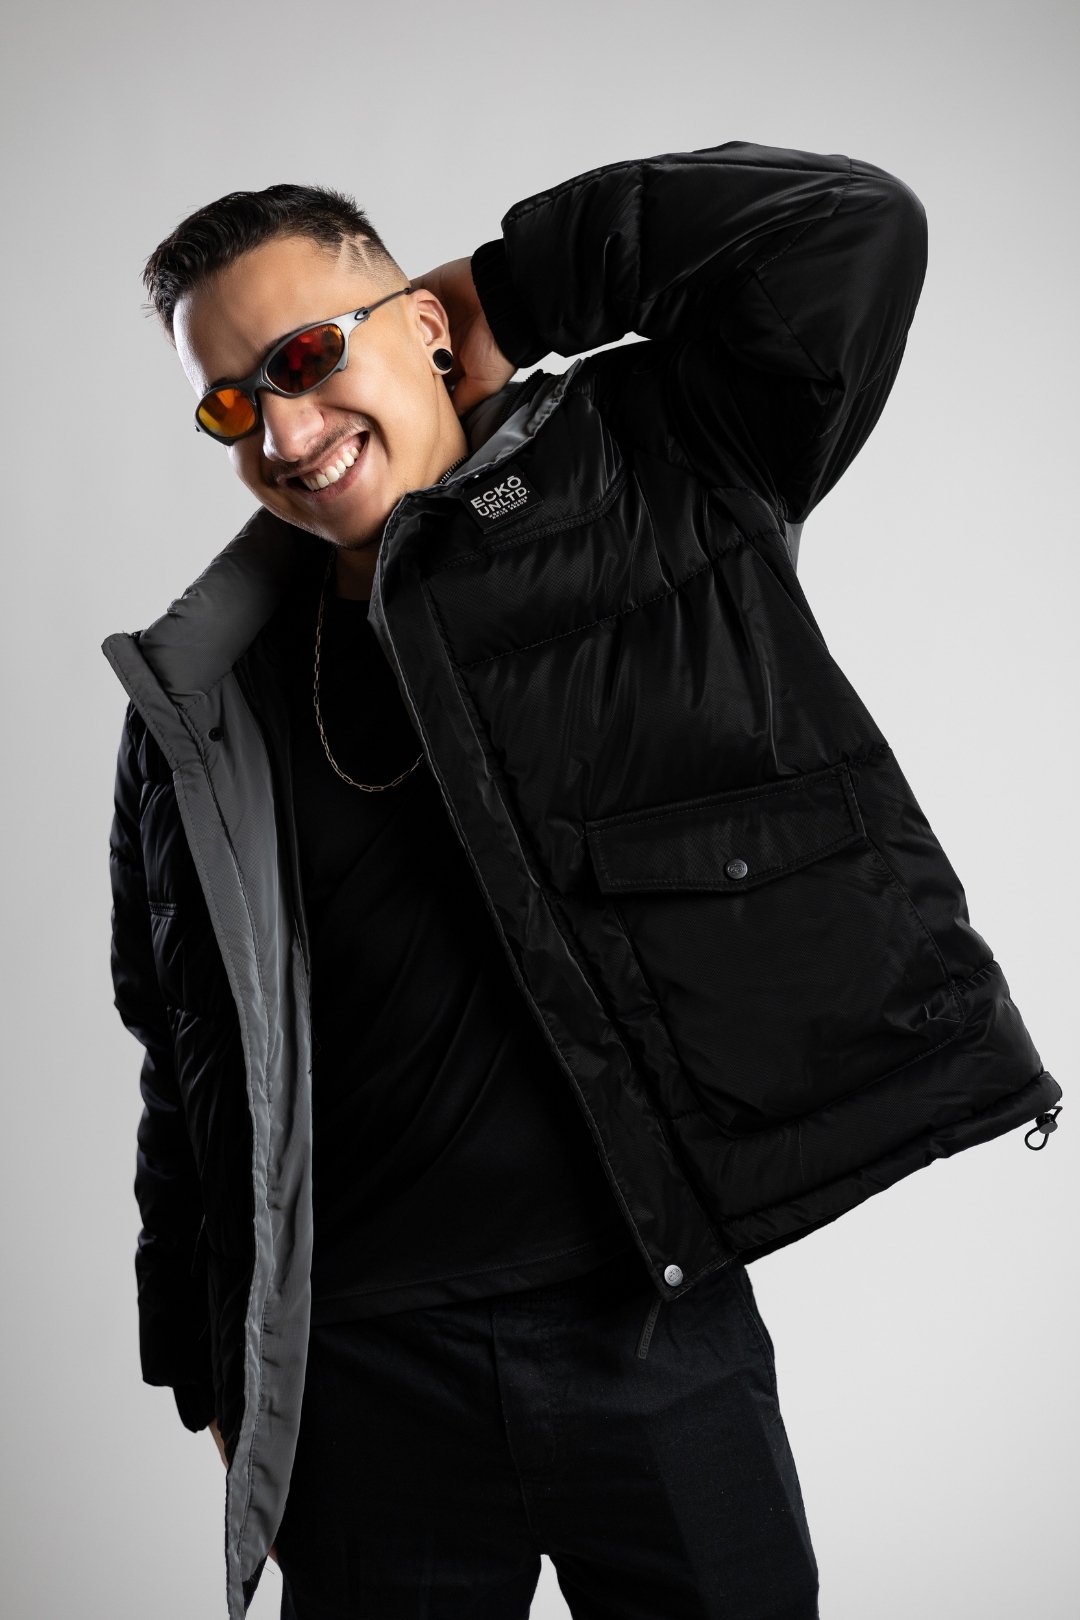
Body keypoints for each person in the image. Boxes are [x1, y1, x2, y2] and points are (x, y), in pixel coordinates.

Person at [105, 138, 1062, 1620]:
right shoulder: (201, 699)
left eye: (305, 357)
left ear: (422, 325)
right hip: (364, 1381)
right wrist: (202, 1360)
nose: (284, 431)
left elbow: (853, 226)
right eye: (233, 403)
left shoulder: (655, 467)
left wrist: (517, 285)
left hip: (651, 1324)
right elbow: (182, 1048)